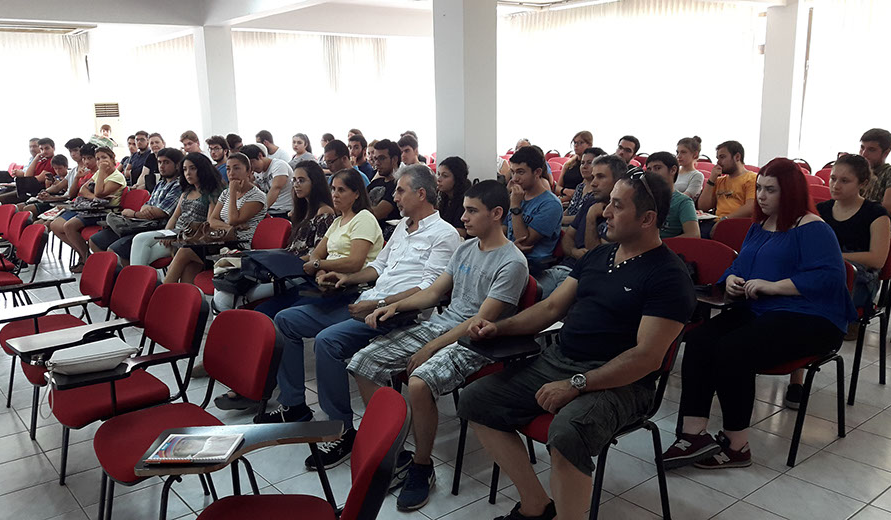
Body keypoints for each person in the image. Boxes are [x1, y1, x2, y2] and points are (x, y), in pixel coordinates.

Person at [458, 171, 695, 520]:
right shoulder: (599, 257)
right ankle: (536, 506)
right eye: (608, 202)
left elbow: (646, 357)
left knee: (567, 432)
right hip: (561, 360)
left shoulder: (669, 276)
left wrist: (576, 384)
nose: (604, 212)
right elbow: (550, 308)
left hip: (622, 382)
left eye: (617, 206)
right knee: (476, 400)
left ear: (647, 219)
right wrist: (498, 328)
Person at [256, 166, 461, 472]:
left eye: (400, 191)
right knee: (285, 320)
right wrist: (345, 277)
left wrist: (379, 303)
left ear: (421, 194)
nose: (394, 197)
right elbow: (378, 268)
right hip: (368, 299)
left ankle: (342, 430)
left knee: (327, 342)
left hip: (399, 313)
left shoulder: (444, 234)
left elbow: (429, 289)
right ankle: (295, 404)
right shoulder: (402, 227)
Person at [664, 158, 855, 471]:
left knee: (732, 350)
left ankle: (736, 444)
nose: (762, 196)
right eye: (760, 188)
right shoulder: (760, 226)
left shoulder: (813, 227)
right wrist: (732, 279)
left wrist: (773, 286)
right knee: (698, 341)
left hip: (812, 316)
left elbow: (828, 278)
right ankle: (693, 434)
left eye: (771, 190)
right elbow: (740, 264)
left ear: (790, 192)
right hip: (762, 308)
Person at [349, 179, 529, 511]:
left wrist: (431, 348)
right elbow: (433, 293)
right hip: (442, 326)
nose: (463, 217)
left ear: (496, 214)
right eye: (464, 210)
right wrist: (392, 306)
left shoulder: (512, 263)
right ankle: (395, 452)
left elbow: (478, 322)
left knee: (419, 382)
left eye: (472, 211)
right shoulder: (465, 248)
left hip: (477, 342)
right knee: (363, 363)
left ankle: (422, 465)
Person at [252, 168, 382, 319]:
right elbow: (316, 254)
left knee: (285, 316)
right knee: (263, 310)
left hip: (347, 287)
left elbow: (354, 263)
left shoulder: (364, 218)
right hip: (324, 282)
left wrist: (318, 265)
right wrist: (320, 271)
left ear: (356, 194)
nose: (335, 194)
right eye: (333, 189)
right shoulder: (338, 221)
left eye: (341, 190)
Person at [211, 161, 336, 312]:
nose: (296, 185)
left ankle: (230, 324)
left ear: (315, 183)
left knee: (225, 297)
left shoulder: (324, 212)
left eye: (301, 180)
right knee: (225, 285)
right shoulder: (302, 210)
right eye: (294, 180)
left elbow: (319, 253)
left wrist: (280, 261)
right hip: (284, 267)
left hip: (298, 272)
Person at [817, 153, 890, 336]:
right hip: (825, 271)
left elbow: (878, 259)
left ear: (863, 184)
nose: (835, 185)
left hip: (860, 280)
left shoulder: (876, 213)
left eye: (845, 181)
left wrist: (836, 256)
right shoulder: (821, 210)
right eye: (833, 178)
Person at [537, 154, 627, 299]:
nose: (593, 183)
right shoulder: (590, 201)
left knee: (544, 306)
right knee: (519, 295)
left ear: (618, 181)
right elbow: (568, 237)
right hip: (562, 268)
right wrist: (574, 252)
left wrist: (591, 218)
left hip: (586, 276)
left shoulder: (621, 214)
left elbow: (597, 259)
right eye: (593, 177)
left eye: (600, 177)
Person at [162, 152, 259, 284]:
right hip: (221, 241)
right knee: (189, 265)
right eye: (228, 169)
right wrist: (230, 227)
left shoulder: (256, 196)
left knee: (185, 251)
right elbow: (212, 221)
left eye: (236, 168)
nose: (231, 173)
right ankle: (180, 294)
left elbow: (232, 219)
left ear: (249, 171)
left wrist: (232, 192)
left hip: (239, 247)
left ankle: (163, 291)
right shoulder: (225, 193)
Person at [90, 148, 184, 265]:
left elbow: (161, 212)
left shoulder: (178, 185)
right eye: (159, 162)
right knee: (95, 241)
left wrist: (134, 214)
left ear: (177, 165)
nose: (161, 166)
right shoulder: (161, 183)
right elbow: (146, 206)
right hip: (142, 222)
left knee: (115, 251)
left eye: (166, 162)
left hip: (156, 227)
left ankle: (130, 275)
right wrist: (146, 211)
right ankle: (112, 273)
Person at [130, 151, 222, 270]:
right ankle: (145, 276)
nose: (188, 173)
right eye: (184, 169)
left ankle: (141, 277)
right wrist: (167, 234)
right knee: (139, 238)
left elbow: (208, 225)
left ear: (203, 170)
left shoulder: (212, 194)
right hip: (174, 232)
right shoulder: (186, 192)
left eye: (193, 168)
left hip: (189, 236)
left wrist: (178, 236)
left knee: (146, 255)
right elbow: (175, 216)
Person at [53, 146, 127, 272]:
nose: (100, 161)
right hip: (93, 209)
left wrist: (101, 173)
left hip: (106, 212)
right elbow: (83, 190)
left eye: (104, 157)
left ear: (112, 158)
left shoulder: (117, 177)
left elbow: (99, 192)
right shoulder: (99, 173)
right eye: (98, 159)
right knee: (62, 225)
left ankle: (85, 258)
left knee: (69, 226)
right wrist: (95, 198)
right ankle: (85, 256)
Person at [505, 146, 563, 272]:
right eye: (513, 172)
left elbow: (523, 241)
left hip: (531, 264)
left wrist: (515, 206)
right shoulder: (517, 195)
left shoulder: (550, 204)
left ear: (537, 172)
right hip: (510, 256)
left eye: (520, 172)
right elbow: (502, 229)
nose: (514, 178)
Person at [697, 140, 756, 237]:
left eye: (722, 157)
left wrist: (724, 220)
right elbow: (703, 206)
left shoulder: (751, 178)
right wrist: (711, 179)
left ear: (737, 157)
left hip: (737, 224)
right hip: (715, 221)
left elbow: (750, 207)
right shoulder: (719, 181)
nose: (718, 162)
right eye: (717, 158)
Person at [20, 139, 85, 217]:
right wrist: (44, 192)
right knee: (25, 208)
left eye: (75, 150)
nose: (73, 154)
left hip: (68, 202)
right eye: (70, 151)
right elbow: (58, 186)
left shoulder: (85, 171)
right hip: (63, 200)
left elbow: (71, 196)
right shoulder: (73, 170)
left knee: (29, 209)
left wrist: (51, 198)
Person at [645, 152, 700, 239]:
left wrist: (659, 244)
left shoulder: (683, 202)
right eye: (649, 169)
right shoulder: (643, 197)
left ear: (673, 170)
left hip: (665, 245)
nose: (652, 173)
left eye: (657, 168)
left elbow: (694, 235)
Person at [240, 144, 294, 218]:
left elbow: (275, 189)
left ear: (260, 156)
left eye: (251, 163)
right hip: (269, 211)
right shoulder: (256, 172)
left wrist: (260, 212)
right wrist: (249, 181)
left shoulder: (279, 165)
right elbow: (256, 191)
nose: (251, 168)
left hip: (284, 210)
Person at [0, 137, 56, 204]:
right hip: (28, 190)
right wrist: (35, 159)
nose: (44, 151)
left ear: (53, 148)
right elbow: (27, 176)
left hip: (37, 191)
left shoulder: (53, 161)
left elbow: (38, 179)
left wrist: (27, 177)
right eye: (41, 149)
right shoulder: (41, 160)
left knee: (0, 199)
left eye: (47, 148)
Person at [367, 139, 403, 239]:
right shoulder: (375, 182)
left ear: (394, 159)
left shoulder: (398, 186)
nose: (377, 163)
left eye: (382, 158)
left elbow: (377, 213)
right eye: (375, 159)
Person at [859, 128, 891, 218]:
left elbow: (889, 209)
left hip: (878, 224)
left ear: (886, 153)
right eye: (862, 148)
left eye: (871, 149)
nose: (864, 154)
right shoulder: (857, 173)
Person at [561, 147, 605, 226]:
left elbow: (580, 219)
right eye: (582, 163)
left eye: (589, 163)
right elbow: (569, 210)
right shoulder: (580, 187)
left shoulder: (598, 192)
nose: (584, 166)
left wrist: (557, 219)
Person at [435, 156, 471, 237]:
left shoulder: (465, 200)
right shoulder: (445, 197)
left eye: (445, 176)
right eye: (438, 174)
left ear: (457, 178)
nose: (439, 179)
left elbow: (462, 232)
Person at [556, 131, 593, 204]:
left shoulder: (590, 166)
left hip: (578, 201)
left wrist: (562, 199)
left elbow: (583, 190)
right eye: (575, 143)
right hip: (564, 198)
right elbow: (557, 187)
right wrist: (565, 191)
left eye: (580, 143)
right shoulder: (568, 165)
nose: (576, 145)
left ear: (589, 145)